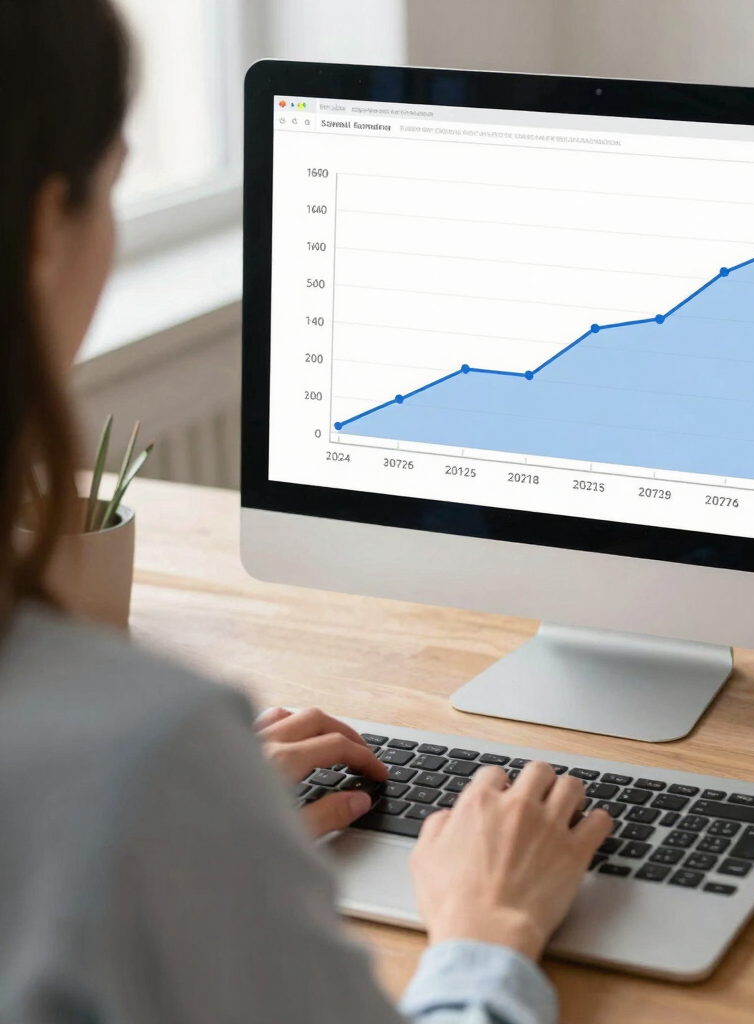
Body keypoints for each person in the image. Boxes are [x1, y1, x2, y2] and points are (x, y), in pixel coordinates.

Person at [0, 2, 614, 1021]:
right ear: (40, 232)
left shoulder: (140, 766)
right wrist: (486, 931)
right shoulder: (131, 750)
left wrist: (191, 818)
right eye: (113, 182)